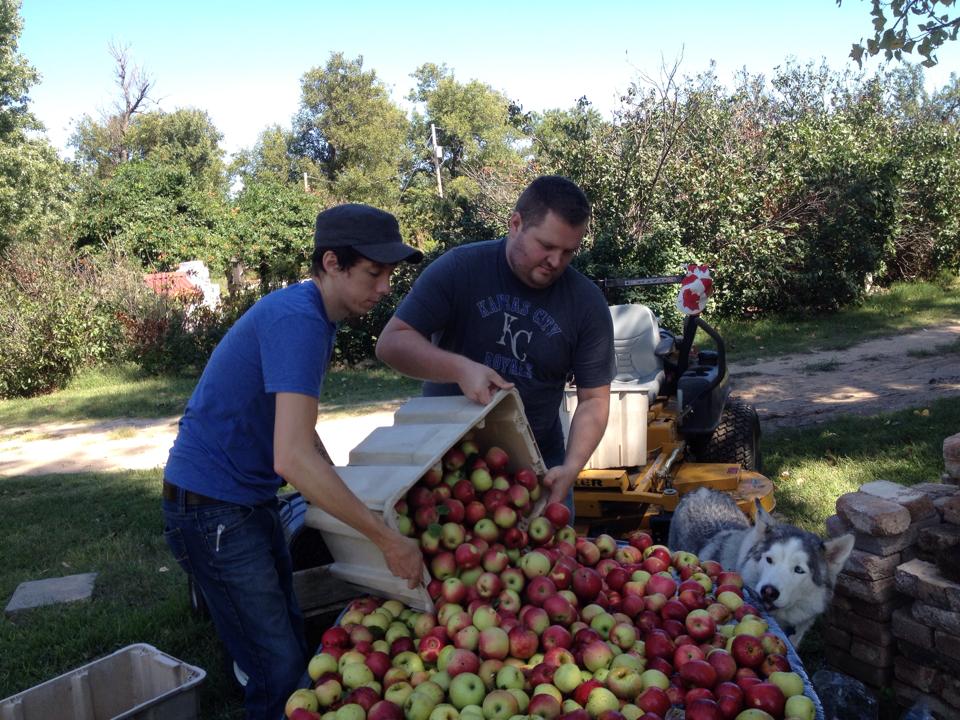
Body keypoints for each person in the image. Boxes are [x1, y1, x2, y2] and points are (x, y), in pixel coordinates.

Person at [161, 204, 425, 720]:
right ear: (332, 262)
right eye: (374, 272)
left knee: (284, 643)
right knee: (278, 670)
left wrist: (344, 491)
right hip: (214, 512)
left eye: (389, 274)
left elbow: (299, 435)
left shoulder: (312, 316)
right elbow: (292, 457)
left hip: (241, 504)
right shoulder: (299, 322)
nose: (384, 287)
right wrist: (386, 538)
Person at [376, 175, 614, 509]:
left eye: (568, 252)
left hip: (537, 467)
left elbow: (593, 400)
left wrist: (571, 466)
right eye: (546, 246)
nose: (556, 262)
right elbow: (391, 343)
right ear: (515, 223)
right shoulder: (461, 269)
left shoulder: (586, 303)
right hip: (444, 466)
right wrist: (459, 368)